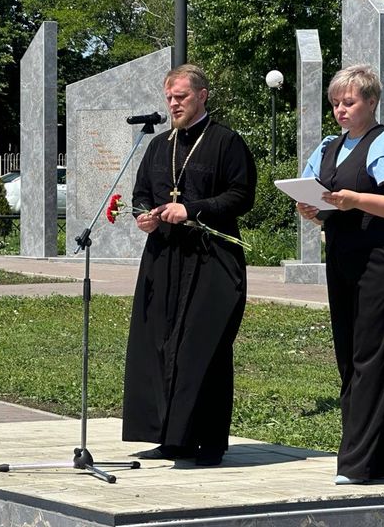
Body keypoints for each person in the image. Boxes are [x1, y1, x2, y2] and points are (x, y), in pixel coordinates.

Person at [122, 64, 257, 466]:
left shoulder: (226, 142)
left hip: (211, 257)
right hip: (164, 256)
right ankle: (170, 437)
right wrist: (143, 216)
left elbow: (242, 195)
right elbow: (141, 194)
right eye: (169, 97)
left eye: (181, 96)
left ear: (202, 95)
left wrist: (192, 209)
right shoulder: (158, 144)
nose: (173, 103)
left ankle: (208, 442)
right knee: (160, 345)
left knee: (203, 347)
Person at [297, 64, 384, 484]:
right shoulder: (329, 148)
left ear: (371, 101)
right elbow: (331, 210)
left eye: (349, 102)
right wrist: (315, 211)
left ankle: (356, 463)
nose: (340, 109)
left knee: (371, 358)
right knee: (351, 359)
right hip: (343, 261)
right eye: (335, 103)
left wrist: (357, 199)